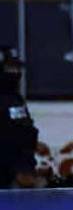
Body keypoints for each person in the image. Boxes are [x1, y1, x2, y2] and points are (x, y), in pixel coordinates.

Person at [0, 46, 38, 189]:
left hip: (16, 175)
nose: (15, 72)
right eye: (10, 67)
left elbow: (23, 134)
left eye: (17, 67)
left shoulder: (15, 98)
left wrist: (26, 167)